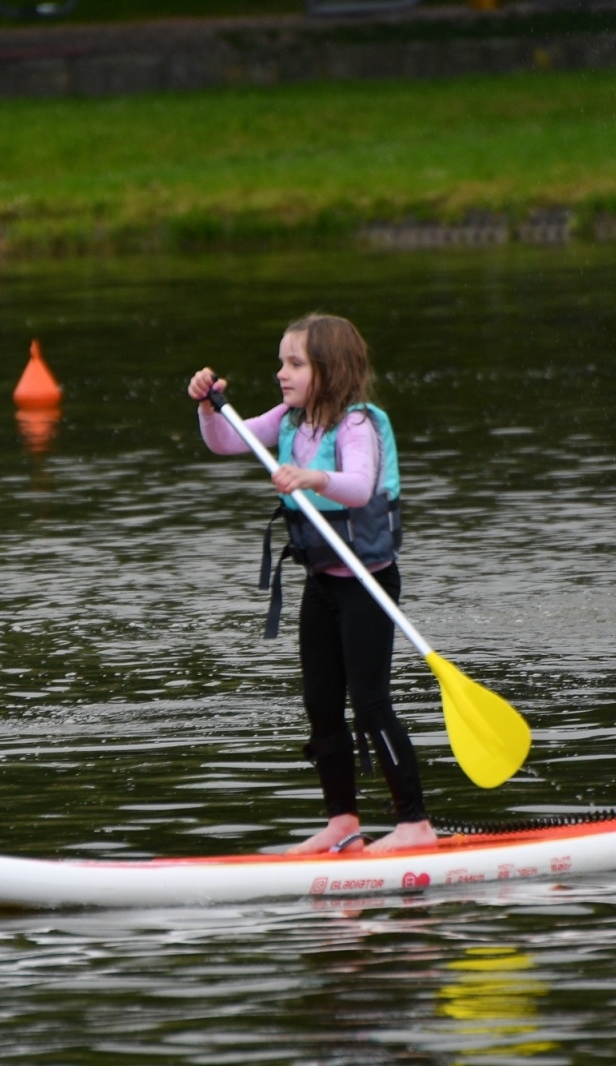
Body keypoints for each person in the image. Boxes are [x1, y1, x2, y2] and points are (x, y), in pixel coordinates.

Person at [188, 313, 435, 855]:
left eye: (295, 363)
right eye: (282, 362)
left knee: (369, 702)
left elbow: (358, 486)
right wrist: (208, 408)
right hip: (322, 582)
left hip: (368, 584)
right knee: (321, 702)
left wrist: (311, 477)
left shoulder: (356, 425)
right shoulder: (291, 420)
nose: (282, 373)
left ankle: (415, 823)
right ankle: (343, 821)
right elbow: (227, 442)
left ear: (330, 369)